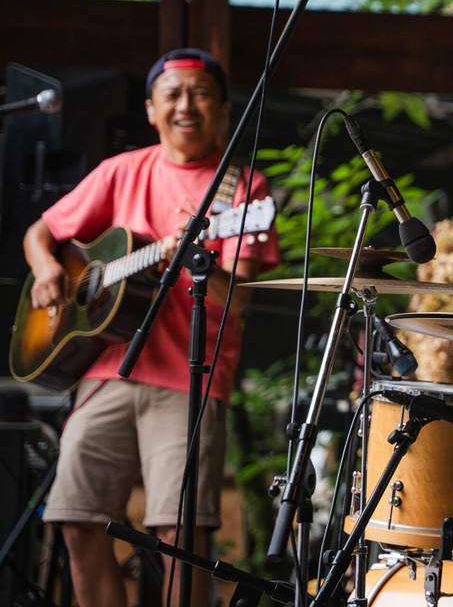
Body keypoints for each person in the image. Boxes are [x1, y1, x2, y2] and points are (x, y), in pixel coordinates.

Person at [24, 48, 279, 606]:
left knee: (179, 536)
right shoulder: (122, 171)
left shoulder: (244, 189)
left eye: (201, 94)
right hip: (107, 369)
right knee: (75, 519)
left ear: (223, 109)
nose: (186, 105)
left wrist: (193, 260)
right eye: (173, 94)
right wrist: (48, 271)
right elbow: (41, 233)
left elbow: (235, 300)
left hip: (189, 380)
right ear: (151, 109)